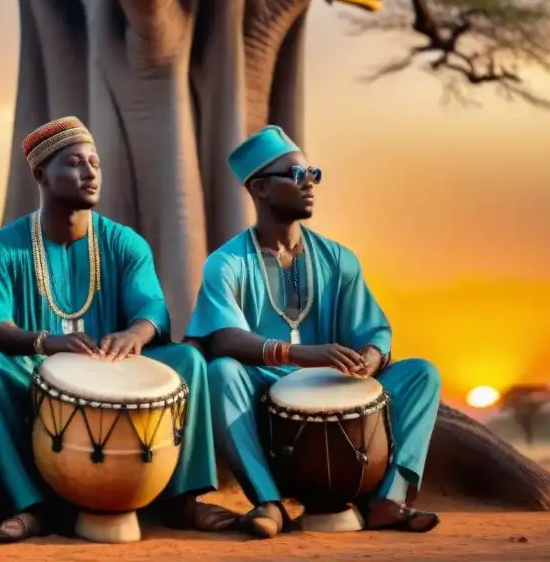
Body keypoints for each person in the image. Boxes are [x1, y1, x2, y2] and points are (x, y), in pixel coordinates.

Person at [0, 116, 237, 542]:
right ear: (41, 174)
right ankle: (29, 505)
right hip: (34, 370)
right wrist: (45, 342)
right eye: (74, 163)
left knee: (188, 360)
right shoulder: (2, 247)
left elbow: (151, 307)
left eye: (95, 162)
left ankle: (182, 502)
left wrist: (136, 334)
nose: (90, 172)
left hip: (117, 366)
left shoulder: (123, 242)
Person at [185, 125, 442, 538]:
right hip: (263, 385)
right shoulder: (226, 262)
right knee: (220, 373)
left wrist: (371, 357)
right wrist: (295, 354)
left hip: (334, 380)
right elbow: (223, 337)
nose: (311, 184)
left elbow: (375, 329)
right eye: (298, 175)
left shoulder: (338, 258)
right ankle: (268, 503)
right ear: (261, 189)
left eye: (314, 174)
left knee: (421, 374)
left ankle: (388, 500)